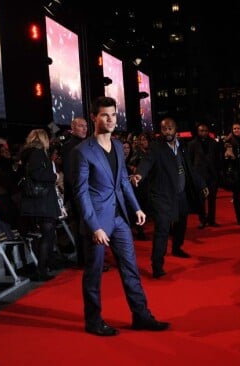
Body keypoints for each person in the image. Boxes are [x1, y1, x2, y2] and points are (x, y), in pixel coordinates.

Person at [72, 96, 169, 336]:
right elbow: (81, 193)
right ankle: (93, 321)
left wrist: (136, 207)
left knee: (131, 269)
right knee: (94, 274)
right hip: (98, 223)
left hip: (120, 219)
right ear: (94, 117)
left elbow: (123, 182)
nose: (111, 119)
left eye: (113, 115)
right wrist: (94, 226)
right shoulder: (82, 151)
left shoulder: (117, 146)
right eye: (105, 115)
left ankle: (141, 316)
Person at [131, 117, 208, 279]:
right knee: (162, 230)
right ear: (161, 130)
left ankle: (177, 248)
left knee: (182, 223)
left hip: (180, 194)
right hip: (162, 196)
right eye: (164, 129)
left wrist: (201, 184)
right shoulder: (156, 148)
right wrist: (139, 174)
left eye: (170, 128)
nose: (167, 132)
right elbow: (147, 162)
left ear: (175, 130)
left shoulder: (182, 147)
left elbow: (190, 169)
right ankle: (157, 265)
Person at [19, 129, 60, 282]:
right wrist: (54, 176)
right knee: (47, 234)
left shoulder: (29, 153)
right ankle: (42, 269)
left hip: (39, 201)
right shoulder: (37, 153)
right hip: (42, 202)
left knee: (47, 234)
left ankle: (46, 264)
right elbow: (37, 174)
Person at [60, 117, 91, 267]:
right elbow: (70, 173)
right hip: (78, 195)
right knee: (82, 229)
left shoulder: (85, 144)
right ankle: (86, 261)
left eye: (85, 126)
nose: (84, 129)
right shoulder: (70, 146)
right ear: (73, 128)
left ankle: (87, 260)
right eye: (80, 126)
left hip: (84, 193)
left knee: (86, 228)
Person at [187, 122, 221, 228]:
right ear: (198, 131)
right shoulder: (192, 144)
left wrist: (218, 173)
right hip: (199, 176)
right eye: (201, 130)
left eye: (206, 130)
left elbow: (218, 159)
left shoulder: (214, 143)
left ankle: (211, 220)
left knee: (212, 199)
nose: (204, 132)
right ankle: (202, 220)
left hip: (212, 175)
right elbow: (189, 161)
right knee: (201, 200)